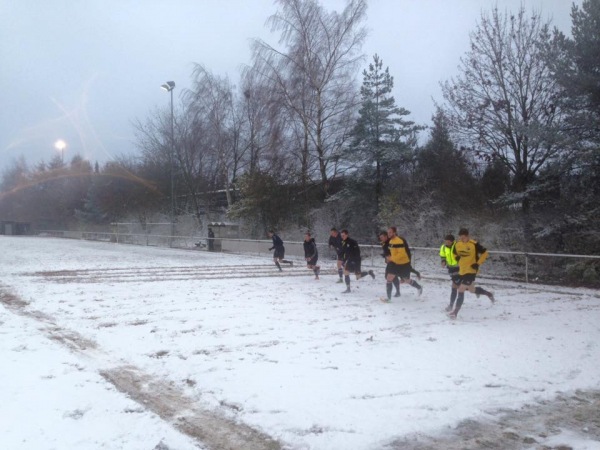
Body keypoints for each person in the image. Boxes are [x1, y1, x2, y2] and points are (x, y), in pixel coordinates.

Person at [448, 228, 495, 319]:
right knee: (471, 290)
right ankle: (489, 294)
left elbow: (485, 253)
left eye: (464, 237)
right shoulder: (457, 244)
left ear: (468, 236)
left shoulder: (474, 244)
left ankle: (455, 312)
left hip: (471, 271)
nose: (462, 239)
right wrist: (457, 259)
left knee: (461, 289)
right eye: (460, 237)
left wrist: (477, 264)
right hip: (462, 271)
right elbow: (453, 253)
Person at [383, 227, 423, 302]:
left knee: (406, 280)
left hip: (403, 263)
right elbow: (393, 252)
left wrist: (391, 258)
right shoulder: (391, 241)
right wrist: (388, 258)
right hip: (395, 263)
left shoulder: (399, 241)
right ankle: (388, 299)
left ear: (395, 232)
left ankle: (419, 287)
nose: (389, 234)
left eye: (390, 232)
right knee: (389, 278)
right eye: (388, 233)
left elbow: (401, 254)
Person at [440, 234, 460, 312]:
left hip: (459, 268)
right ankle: (478, 291)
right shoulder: (443, 247)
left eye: (448, 241)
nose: (447, 243)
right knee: (458, 286)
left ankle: (451, 306)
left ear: (452, 241)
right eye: (446, 241)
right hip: (451, 268)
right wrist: (443, 261)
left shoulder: (457, 246)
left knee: (455, 286)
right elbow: (443, 256)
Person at [378, 231, 401, 297]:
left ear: (386, 236)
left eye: (382, 237)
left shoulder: (390, 242)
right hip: (390, 261)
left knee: (389, 277)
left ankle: (391, 296)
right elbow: (387, 252)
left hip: (394, 262)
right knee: (390, 276)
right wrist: (385, 255)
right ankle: (397, 292)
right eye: (380, 238)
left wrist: (389, 256)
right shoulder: (384, 243)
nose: (381, 239)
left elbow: (395, 251)